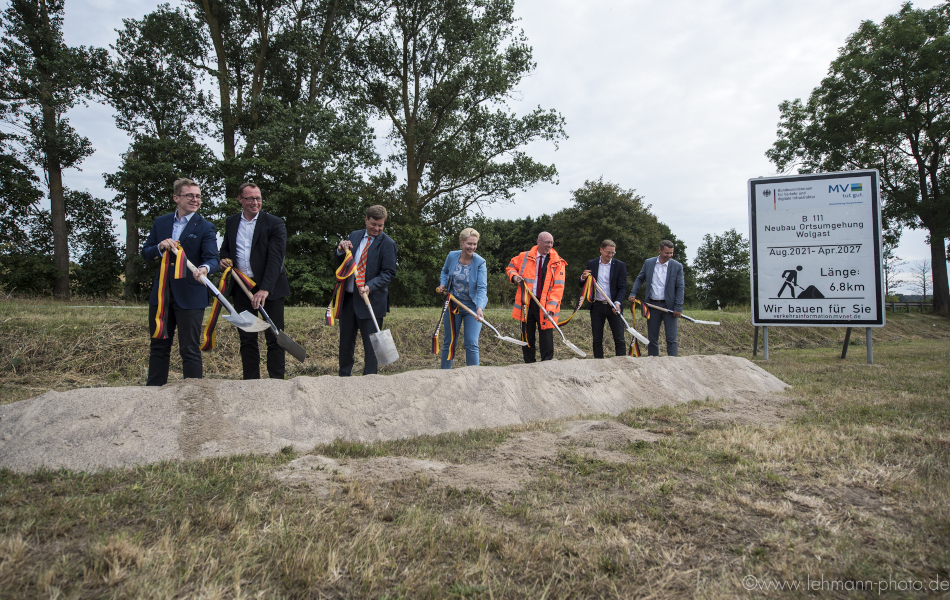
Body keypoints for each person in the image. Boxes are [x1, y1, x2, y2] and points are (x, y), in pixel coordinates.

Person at [141, 178, 219, 386]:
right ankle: (154, 394)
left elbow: (213, 258)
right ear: (176, 198)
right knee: (158, 346)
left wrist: (205, 268)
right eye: (190, 195)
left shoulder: (205, 227)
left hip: (191, 296)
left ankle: (193, 397)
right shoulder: (161, 222)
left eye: (198, 196)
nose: (195, 199)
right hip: (162, 295)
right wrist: (159, 247)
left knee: (189, 349)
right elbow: (146, 253)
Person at [218, 182, 290, 380]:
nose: (255, 202)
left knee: (274, 338)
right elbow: (225, 249)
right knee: (247, 339)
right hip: (242, 287)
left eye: (258, 198)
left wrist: (265, 289)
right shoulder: (232, 222)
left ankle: (276, 382)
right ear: (240, 200)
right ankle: (251, 383)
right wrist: (223, 260)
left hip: (271, 288)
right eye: (250, 198)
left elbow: (276, 259)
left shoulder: (274, 223)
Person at [334, 205, 397, 376]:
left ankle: (369, 381)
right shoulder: (354, 236)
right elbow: (342, 263)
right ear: (366, 220)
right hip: (348, 299)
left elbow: (388, 273)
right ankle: (344, 377)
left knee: (371, 348)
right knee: (346, 343)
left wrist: (370, 286)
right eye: (373, 224)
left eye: (381, 225)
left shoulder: (388, 244)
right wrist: (340, 251)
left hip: (372, 302)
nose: (377, 229)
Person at [505, 231, 567, 363]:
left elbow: (558, 287)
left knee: (546, 336)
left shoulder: (558, 262)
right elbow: (510, 267)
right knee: (527, 336)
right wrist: (514, 276)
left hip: (546, 305)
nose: (549, 245)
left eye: (551, 243)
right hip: (527, 302)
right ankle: (529, 364)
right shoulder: (524, 256)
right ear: (538, 242)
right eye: (546, 242)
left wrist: (551, 307)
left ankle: (547, 363)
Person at [435, 228, 488, 368]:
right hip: (453, 304)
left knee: (471, 342)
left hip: (472, 306)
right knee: (450, 340)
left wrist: (479, 308)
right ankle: (445, 374)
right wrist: (442, 284)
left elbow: (482, 288)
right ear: (462, 242)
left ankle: (474, 375)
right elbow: (445, 271)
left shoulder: (480, 262)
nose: (472, 247)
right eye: (469, 244)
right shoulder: (452, 256)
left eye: (475, 244)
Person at [628, 240, 685, 357]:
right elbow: (640, 279)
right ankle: (653, 363)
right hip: (652, 306)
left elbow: (680, 287)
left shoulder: (677, 266)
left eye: (671, 253)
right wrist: (633, 293)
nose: (669, 256)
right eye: (666, 253)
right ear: (659, 251)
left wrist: (678, 307)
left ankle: (673, 363)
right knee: (652, 338)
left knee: (671, 338)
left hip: (670, 307)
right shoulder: (649, 263)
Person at [580, 240, 628, 358]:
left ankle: (622, 364)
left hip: (614, 306)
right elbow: (582, 284)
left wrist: (617, 303)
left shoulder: (620, 265)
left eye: (613, 253)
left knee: (620, 339)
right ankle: (599, 364)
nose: (610, 255)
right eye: (608, 252)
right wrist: (583, 277)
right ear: (601, 250)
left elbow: (622, 288)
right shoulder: (592, 264)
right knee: (597, 339)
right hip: (597, 306)